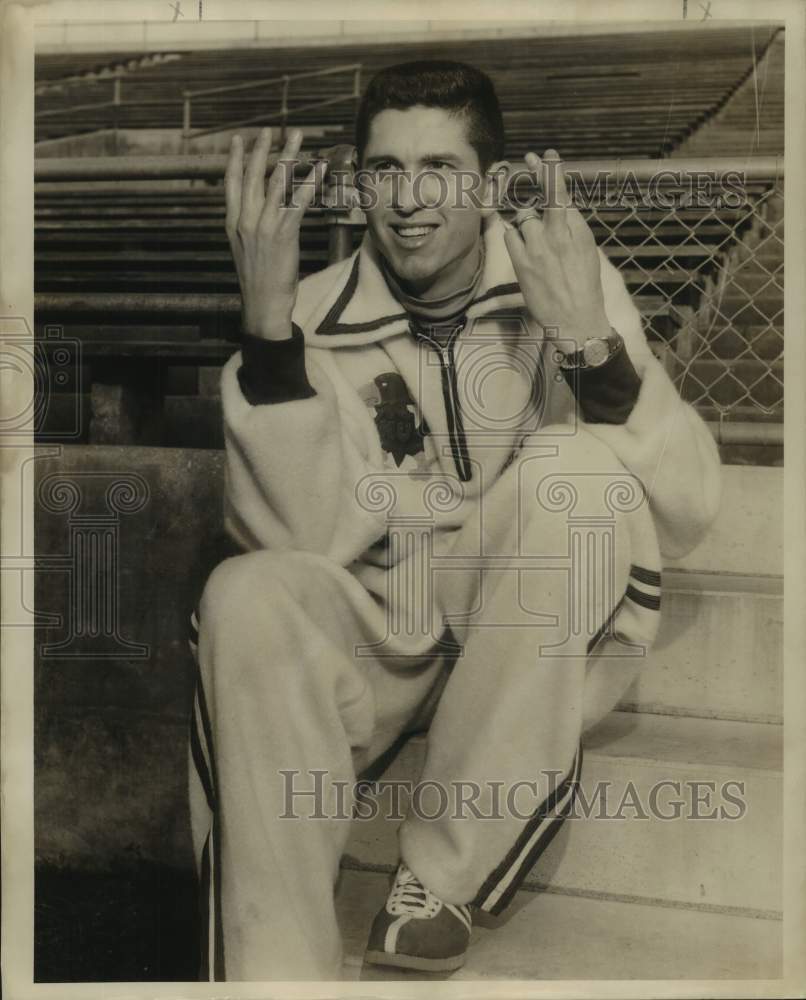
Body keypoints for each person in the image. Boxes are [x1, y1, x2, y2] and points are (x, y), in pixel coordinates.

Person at [187, 60, 721, 982]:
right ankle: (275, 966)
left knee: (575, 469)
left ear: (486, 183)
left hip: (520, 626)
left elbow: (686, 510)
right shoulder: (309, 314)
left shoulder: (562, 278)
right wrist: (271, 335)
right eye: (385, 169)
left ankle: (439, 875)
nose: (408, 199)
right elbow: (304, 548)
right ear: (358, 184)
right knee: (243, 591)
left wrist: (589, 342)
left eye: (438, 167)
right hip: (382, 640)